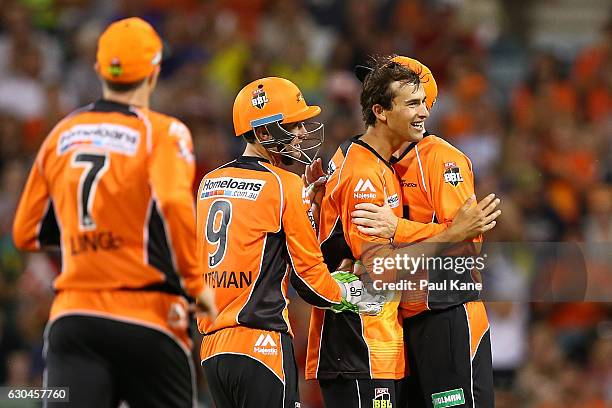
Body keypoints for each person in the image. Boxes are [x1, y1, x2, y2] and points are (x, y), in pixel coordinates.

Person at [12, 18, 215, 407]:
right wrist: (194, 284)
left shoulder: (62, 133)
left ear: (99, 69)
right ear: (154, 73)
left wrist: (87, 234)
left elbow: (26, 232)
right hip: (148, 317)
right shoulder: (163, 132)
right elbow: (173, 203)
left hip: (74, 319)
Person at [305, 56, 500, 407]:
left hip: (446, 313)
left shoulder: (441, 159)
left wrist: (399, 228)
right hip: (395, 325)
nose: (421, 111)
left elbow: (468, 242)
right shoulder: (372, 162)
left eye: (421, 101)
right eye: (411, 103)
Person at [196, 76, 381, 408]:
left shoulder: (210, 182)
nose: (300, 134)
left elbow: (254, 238)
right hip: (261, 344)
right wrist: (352, 294)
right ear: (264, 133)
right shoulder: (285, 184)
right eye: (292, 125)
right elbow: (308, 280)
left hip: (213, 351)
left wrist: (304, 205)